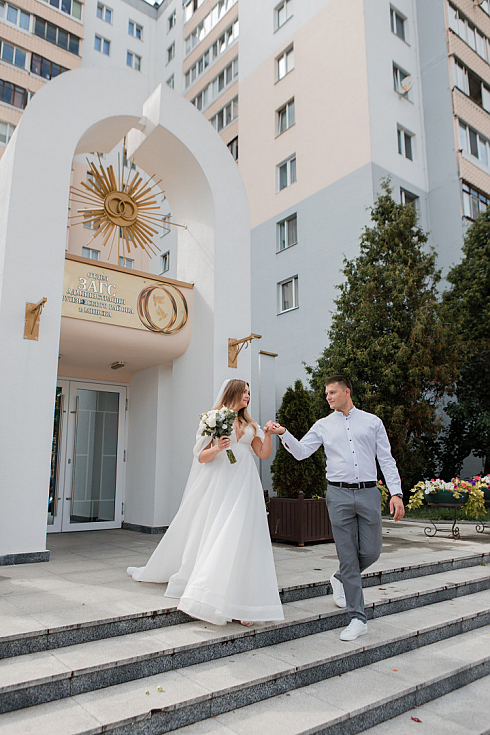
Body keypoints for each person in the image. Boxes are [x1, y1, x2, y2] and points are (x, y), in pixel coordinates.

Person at [128, 379, 284, 627]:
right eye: (244, 392)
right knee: (223, 532)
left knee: (246, 535)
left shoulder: (250, 424)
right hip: (222, 481)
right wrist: (219, 447)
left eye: (249, 392)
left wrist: (268, 435)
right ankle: (215, 595)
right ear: (233, 392)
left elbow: (263, 454)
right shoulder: (212, 418)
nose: (248, 396)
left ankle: (245, 602)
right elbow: (200, 456)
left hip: (245, 482)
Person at [266, 375, 404, 641]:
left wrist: (396, 493)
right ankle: (357, 618)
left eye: (332, 392)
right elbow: (301, 452)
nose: (327, 397)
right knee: (348, 556)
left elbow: (386, 459)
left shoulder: (372, 422)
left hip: (368, 493)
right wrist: (283, 433)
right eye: (326, 393)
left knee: (372, 552)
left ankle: (341, 578)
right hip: (338, 495)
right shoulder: (323, 425)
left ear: (346, 392)